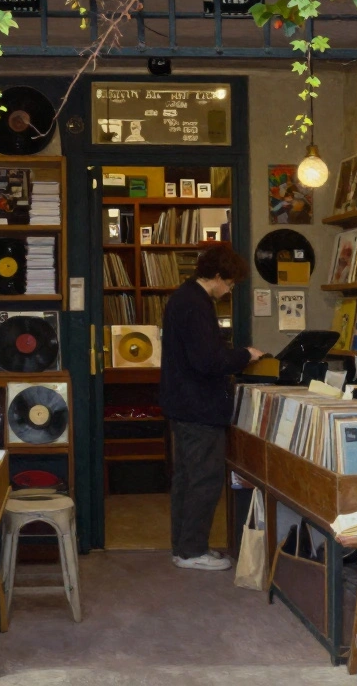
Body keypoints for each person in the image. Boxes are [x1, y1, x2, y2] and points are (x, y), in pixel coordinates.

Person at [160, 244, 263, 571]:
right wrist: (245, 355)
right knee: (204, 479)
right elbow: (207, 360)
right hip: (199, 406)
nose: (229, 290)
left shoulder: (183, 297)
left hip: (183, 404)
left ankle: (183, 548)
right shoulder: (196, 304)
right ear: (217, 276)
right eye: (229, 283)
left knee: (187, 479)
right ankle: (192, 551)